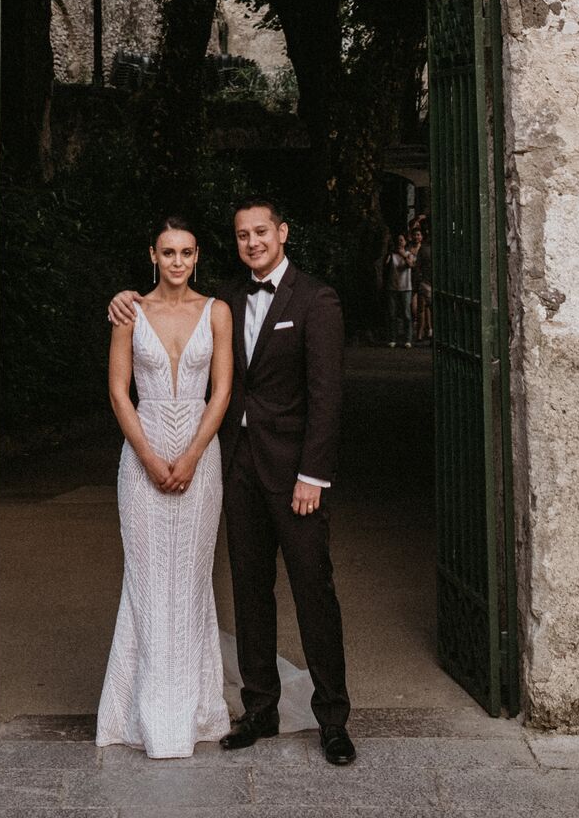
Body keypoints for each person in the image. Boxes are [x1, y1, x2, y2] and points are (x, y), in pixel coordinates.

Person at [109, 196, 356, 767]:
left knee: (313, 590)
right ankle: (260, 708)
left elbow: (327, 397)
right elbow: (166, 300)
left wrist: (313, 474)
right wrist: (123, 297)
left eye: (262, 232)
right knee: (249, 591)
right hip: (238, 467)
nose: (253, 243)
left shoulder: (316, 300)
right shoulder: (227, 298)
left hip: (296, 474)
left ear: (283, 232)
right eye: (243, 235)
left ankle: (334, 720)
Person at [96, 215, 234, 759]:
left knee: (193, 581)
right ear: (152, 255)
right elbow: (117, 392)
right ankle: (141, 712)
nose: (178, 262)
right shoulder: (129, 312)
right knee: (148, 580)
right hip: (143, 453)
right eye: (168, 252)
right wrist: (151, 458)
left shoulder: (216, 311)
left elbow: (222, 390)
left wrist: (194, 454)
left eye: (187, 253)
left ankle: (195, 712)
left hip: (201, 455)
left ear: (198, 257)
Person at [384, 232, 413, 348]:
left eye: (402, 240)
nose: (400, 242)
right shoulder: (391, 255)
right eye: (398, 240)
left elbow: (410, 265)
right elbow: (386, 266)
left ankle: (408, 339)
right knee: (392, 313)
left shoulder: (409, 254)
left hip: (406, 287)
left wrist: (403, 255)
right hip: (393, 287)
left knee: (406, 314)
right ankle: (392, 338)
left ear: (405, 242)